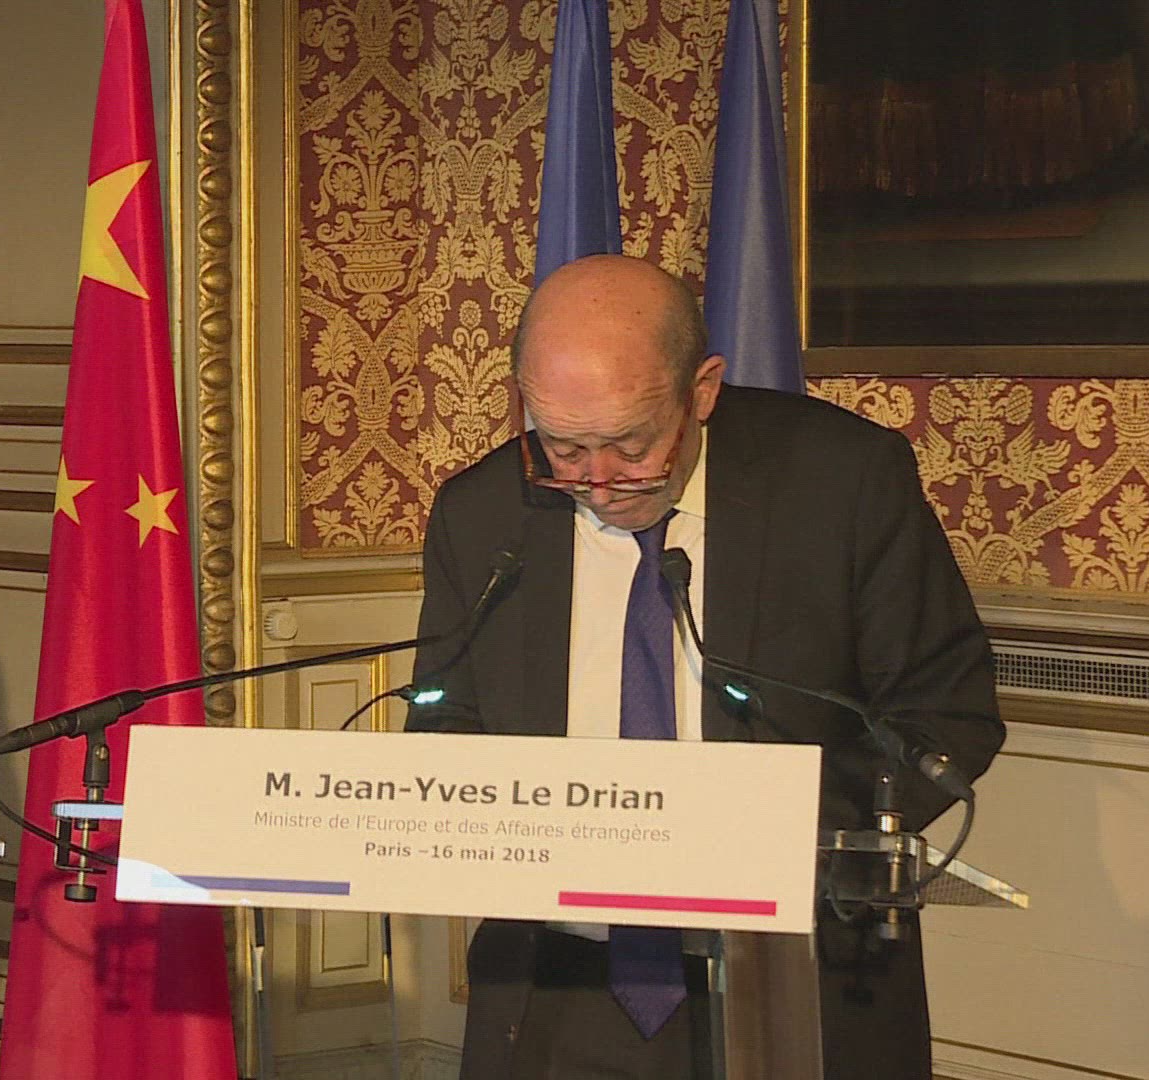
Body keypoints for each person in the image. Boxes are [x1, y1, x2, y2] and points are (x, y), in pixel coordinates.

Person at [407, 254, 1004, 1079]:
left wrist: (748, 835)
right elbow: (444, 720)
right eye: (563, 447)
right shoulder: (481, 515)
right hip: (557, 988)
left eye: (630, 444)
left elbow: (945, 714)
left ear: (703, 390)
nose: (599, 482)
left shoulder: (842, 481)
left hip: (797, 972)